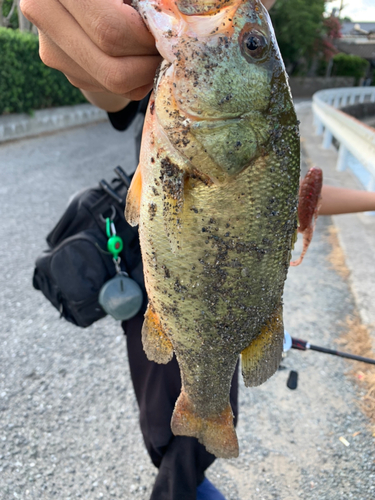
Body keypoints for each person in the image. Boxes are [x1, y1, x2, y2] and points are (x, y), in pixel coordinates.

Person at [20, 0, 375, 499]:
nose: (226, 14)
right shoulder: (187, 73)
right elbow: (108, 90)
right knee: (168, 441)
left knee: (183, 449)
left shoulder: (240, 131)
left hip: (184, 287)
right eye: (253, 46)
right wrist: (97, 63)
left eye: (251, 45)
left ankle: (195, 451)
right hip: (161, 285)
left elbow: (283, 198)